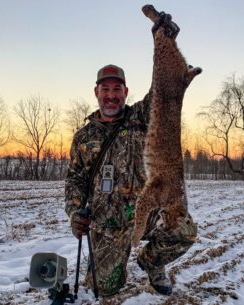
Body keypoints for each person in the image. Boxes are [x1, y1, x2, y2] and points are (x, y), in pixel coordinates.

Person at [65, 61, 198, 297]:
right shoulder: (83, 137)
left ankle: (152, 263)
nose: (111, 96)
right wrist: (75, 213)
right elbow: (75, 180)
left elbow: (161, 92)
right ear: (96, 92)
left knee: (183, 230)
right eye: (105, 90)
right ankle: (109, 259)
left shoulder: (141, 116)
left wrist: (164, 38)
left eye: (117, 89)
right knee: (102, 289)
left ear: (125, 92)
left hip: (144, 214)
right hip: (106, 223)